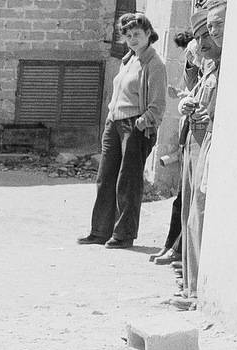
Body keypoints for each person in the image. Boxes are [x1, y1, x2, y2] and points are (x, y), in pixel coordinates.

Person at [77, 12, 168, 250]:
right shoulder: (128, 60)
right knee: (105, 177)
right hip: (115, 123)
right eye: (128, 35)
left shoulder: (154, 64)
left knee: (127, 181)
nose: (132, 39)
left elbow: (158, 105)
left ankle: (124, 234)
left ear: (149, 34)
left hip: (135, 126)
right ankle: (99, 231)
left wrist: (143, 121)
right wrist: (110, 118)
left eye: (137, 34)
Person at [176, 0, 226, 306]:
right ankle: (189, 286)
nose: (205, 40)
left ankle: (196, 291)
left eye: (212, 31)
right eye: (202, 34)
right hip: (193, 139)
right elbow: (191, 91)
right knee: (188, 214)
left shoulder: (228, 66)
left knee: (199, 213)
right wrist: (187, 103)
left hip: (208, 141)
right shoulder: (209, 66)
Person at [150, 30, 201, 266]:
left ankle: (177, 250)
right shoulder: (198, 68)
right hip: (187, 136)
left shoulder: (213, 71)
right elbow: (190, 91)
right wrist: (181, 95)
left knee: (188, 201)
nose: (190, 58)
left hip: (199, 140)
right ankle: (170, 245)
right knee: (180, 201)